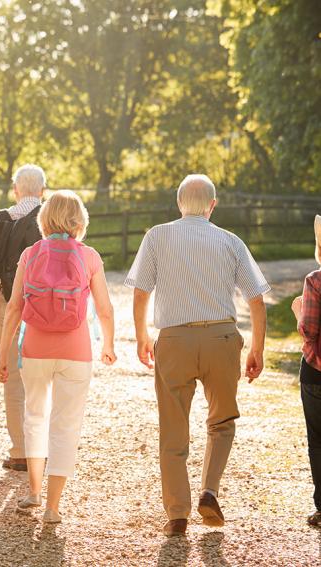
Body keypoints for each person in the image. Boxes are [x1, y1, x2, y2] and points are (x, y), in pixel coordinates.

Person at [126, 174, 270, 536]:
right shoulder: (230, 241)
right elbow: (256, 299)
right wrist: (257, 348)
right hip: (221, 337)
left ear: (178, 204)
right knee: (221, 422)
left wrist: (142, 334)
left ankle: (177, 513)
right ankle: (209, 489)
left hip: (174, 340)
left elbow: (141, 291)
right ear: (212, 205)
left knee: (173, 428)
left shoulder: (157, 235)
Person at [0, 190, 116, 523]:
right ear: (79, 222)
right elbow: (104, 308)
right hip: (76, 351)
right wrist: (108, 344)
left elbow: (14, 308)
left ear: (44, 220)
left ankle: (33, 492)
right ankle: (52, 507)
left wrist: (3, 355)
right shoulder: (89, 256)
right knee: (66, 425)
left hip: (34, 348)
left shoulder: (31, 253)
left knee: (34, 417)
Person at [0, 164, 44, 472]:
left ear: (16, 190)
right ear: (43, 191)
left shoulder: (1, 218)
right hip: (47, 306)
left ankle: (20, 450)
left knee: (13, 373)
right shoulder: (52, 217)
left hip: (6, 301)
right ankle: (43, 449)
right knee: (44, 374)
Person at [291, 214, 321, 527]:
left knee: (319, 440)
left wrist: (298, 310)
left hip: (317, 373)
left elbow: (309, 330)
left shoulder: (315, 280)